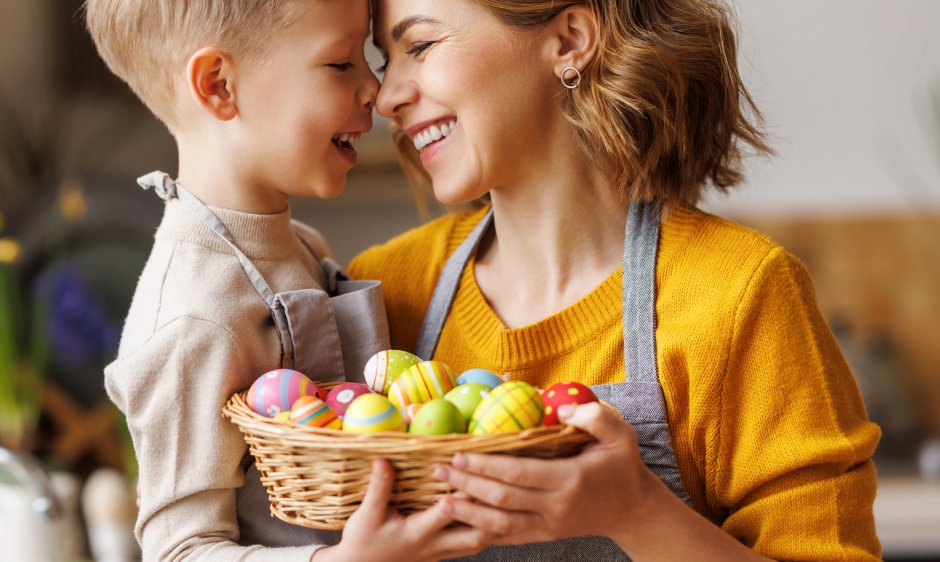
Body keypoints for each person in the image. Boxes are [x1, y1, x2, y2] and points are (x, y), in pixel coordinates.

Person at [350, 0, 881, 559]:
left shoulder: (740, 294)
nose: (387, 97)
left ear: (570, 40)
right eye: (387, 62)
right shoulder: (384, 288)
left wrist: (638, 512)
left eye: (421, 47)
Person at [85, 0, 492, 560]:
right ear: (219, 86)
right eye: (339, 63)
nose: (375, 87)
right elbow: (181, 549)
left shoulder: (302, 245)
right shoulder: (192, 314)